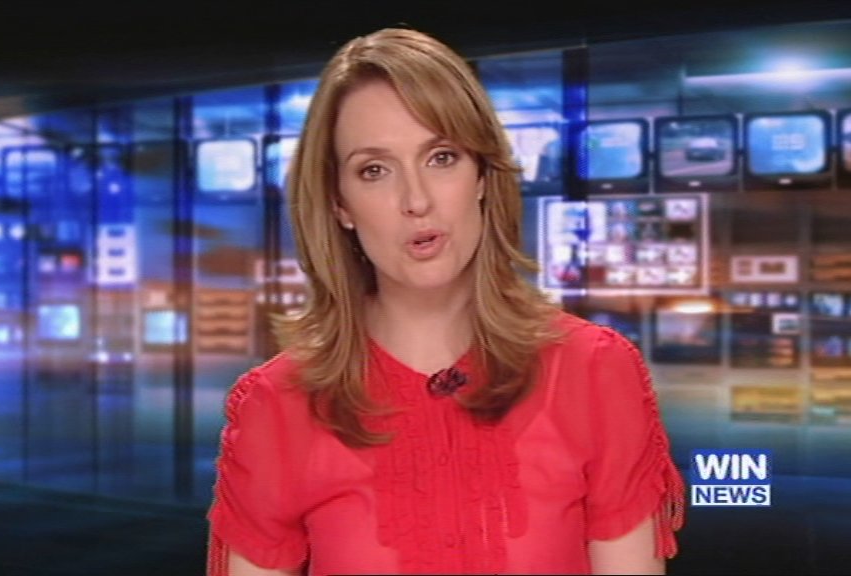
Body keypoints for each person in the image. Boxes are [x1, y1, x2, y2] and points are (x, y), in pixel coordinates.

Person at [205, 26, 685, 576]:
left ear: (481, 173)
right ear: (340, 204)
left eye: (441, 157)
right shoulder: (276, 405)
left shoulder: (595, 371)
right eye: (374, 170)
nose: (416, 200)